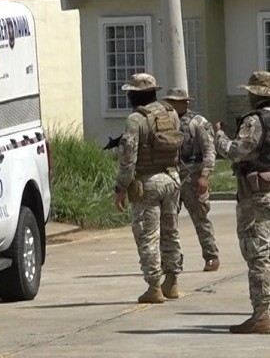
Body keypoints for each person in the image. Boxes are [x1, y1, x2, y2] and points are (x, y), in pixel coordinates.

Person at [114, 73, 184, 304]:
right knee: (171, 232)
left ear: (135, 95)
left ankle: (154, 287)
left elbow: (128, 159)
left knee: (148, 235)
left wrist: (121, 188)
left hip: (148, 182)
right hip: (172, 178)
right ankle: (172, 283)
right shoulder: (171, 113)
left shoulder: (136, 119)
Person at [214, 71, 270, 334]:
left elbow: (237, 152)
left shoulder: (254, 121)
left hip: (257, 196)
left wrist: (219, 138)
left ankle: (263, 315)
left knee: (258, 253)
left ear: (254, 94)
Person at [163, 87, 220, 272]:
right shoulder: (165, 122)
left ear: (186, 103)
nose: (172, 105)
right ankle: (170, 259)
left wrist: (205, 175)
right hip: (171, 174)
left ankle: (211, 255)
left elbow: (209, 151)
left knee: (200, 217)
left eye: (176, 101)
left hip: (193, 173)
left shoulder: (198, 122)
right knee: (168, 219)